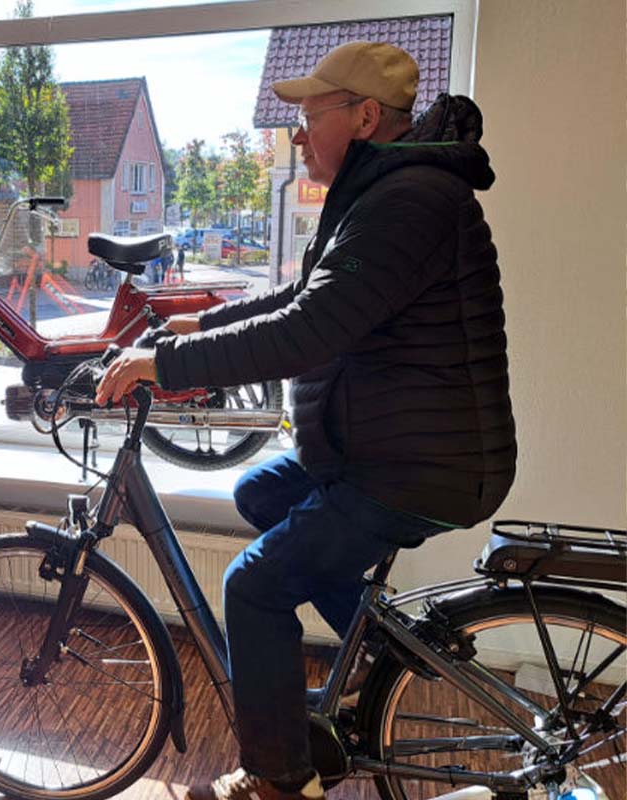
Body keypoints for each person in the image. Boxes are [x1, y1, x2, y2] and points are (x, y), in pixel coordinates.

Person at [96, 41, 515, 800]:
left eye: (308, 117)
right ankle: (373, 652)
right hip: (386, 446)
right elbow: (300, 297)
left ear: (362, 117)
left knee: (253, 588)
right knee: (260, 496)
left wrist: (167, 369)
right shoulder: (378, 192)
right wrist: (195, 329)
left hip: (419, 465)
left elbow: (310, 331)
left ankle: (276, 779)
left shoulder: (409, 201)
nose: (296, 134)